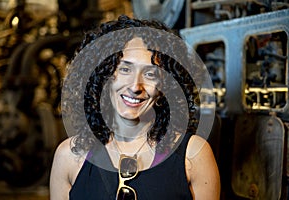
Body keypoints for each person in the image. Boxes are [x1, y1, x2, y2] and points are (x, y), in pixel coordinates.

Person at [50, 15, 220, 200]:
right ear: (104, 75)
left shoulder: (193, 155)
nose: (135, 86)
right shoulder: (69, 156)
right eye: (125, 69)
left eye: (150, 73)